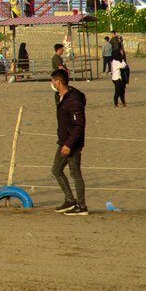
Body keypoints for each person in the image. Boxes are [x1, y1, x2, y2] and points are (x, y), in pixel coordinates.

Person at [50, 69, 87, 215]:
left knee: (75, 172)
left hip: (72, 143)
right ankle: (69, 200)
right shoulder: (60, 96)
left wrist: (69, 144)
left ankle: (82, 206)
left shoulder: (74, 99)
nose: (52, 83)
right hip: (63, 141)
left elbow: (79, 125)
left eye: (53, 81)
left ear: (58, 82)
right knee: (56, 169)